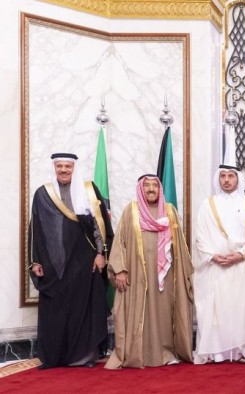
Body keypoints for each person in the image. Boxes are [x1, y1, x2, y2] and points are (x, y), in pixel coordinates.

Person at [28, 153, 112, 369]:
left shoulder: (89, 191)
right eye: (59, 166)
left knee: (84, 310)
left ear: (74, 168)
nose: (64, 170)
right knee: (55, 311)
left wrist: (101, 254)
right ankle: (54, 357)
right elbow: (35, 229)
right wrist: (35, 261)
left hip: (85, 262)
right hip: (53, 263)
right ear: (54, 168)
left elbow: (99, 227)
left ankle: (84, 357)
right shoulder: (43, 194)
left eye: (68, 166)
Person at [105, 174, 194, 369]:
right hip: (137, 275)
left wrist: (184, 276)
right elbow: (119, 242)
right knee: (139, 313)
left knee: (164, 313)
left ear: (160, 189)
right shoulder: (131, 211)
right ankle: (138, 354)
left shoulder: (169, 212)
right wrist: (120, 270)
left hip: (166, 276)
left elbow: (180, 246)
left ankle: (166, 352)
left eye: (155, 186)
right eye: (147, 186)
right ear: (140, 189)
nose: (151, 189)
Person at [193, 165, 245, 363]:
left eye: (231, 176)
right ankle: (218, 353)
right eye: (223, 176)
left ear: (238, 179)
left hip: (242, 266)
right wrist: (212, 256)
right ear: (218, 179)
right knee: (218, 311)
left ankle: (243, 351)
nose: (227, 180)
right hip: (216, 268)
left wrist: (240, 254)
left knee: (243, 309)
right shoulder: (208, 204)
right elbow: (200, 236)